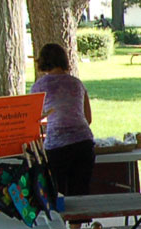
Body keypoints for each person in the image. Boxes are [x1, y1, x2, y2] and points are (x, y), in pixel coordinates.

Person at [31, 43, 95, 196]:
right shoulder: (77, 84)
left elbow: (33, 119)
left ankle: (59, 220)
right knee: (80, 191)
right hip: (83, 142)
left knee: (56, 194)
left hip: (57, 145)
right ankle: (77, 221)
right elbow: (88, 118)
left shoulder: (39, 86)